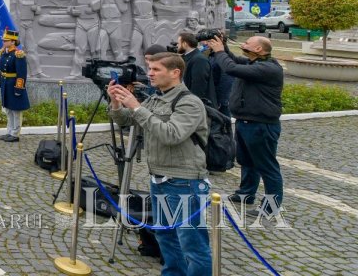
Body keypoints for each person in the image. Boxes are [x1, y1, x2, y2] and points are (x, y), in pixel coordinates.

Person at [108, 52, 210, 276]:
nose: (150, 74)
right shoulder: (156, 98)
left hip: (185, 181)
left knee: (191, 242)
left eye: (156, 69)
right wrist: (116, 102)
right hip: (160, 178)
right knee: (166, 235)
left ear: (175, 73)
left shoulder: (189, 102)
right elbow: (126, 120)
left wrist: (137, 106)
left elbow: (171, 135)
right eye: (150, 69)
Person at [206, 34, 284, 210]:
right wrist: (223, 46)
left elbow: (231, 68)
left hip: (261, 125)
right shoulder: (253, 63)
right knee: (247, 162)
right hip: (245, 122)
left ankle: (271, 208)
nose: (243, 43)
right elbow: (233, 59)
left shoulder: (269, 69)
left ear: (258, 49)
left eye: (247, 42)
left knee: (267, 167)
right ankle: (245, 195)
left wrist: (219, 51)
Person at [0, 31, 30, 142]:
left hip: (13, 85)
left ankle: (15, 134)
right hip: (6, 85)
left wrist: (19, 88)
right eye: (4, 40)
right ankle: (9, 131)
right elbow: (0, 70)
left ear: (12, 42)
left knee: (16, 111)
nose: (3, 42)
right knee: (8, 110)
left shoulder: (18, 55)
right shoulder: (3, 53)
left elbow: (21, 74)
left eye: (6, 40)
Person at [176, 31, 216, 107]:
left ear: (185, 44)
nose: (177, 45)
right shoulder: (188, 57)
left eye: (178, 43)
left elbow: (198, 87)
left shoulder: (199, 60)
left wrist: (190, 105)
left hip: (199, 106)